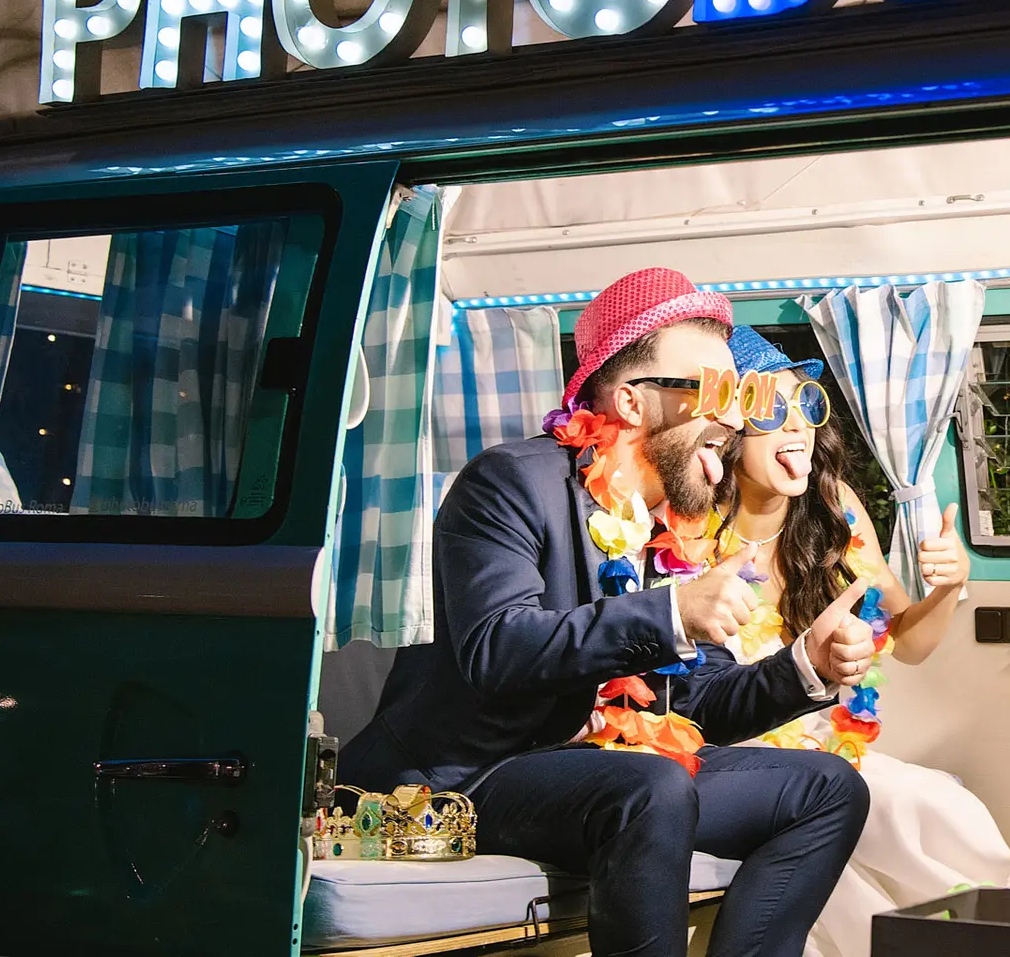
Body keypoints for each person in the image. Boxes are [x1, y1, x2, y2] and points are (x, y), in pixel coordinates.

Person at [341, 269, 875, 957]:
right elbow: (496, 649)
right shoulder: (509, 482)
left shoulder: (673, 532)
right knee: (650, 785)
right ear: (630, 401)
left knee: (829, 787)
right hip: (482, 774)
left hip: (610, 767)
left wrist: (807, 666)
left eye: (740, 396)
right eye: (715, 392)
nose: (738, 417)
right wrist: (671, 613)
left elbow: (701, 703)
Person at [709, 325, 1010, 957]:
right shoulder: (686, 531)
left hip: (833, 750)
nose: (797, 427)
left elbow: (908, 640)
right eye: (771, 410)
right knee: (891, 827)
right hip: (738, 761)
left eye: (805, 406)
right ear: (725, 431)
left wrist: (950, 587)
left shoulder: (835, 507)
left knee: (942, 809)